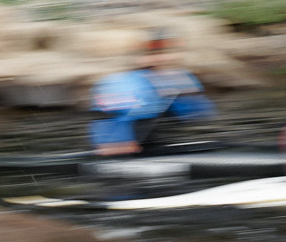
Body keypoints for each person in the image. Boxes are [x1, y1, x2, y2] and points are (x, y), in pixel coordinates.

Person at [88, 34, 218, 156]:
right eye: (156, 53)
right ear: (141, 58)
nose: (166, 58)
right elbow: (113, 132)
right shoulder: (122, 83)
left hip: (156, 145)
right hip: (123, 149)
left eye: (169, 52)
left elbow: (196, 114)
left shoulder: (178, 78)